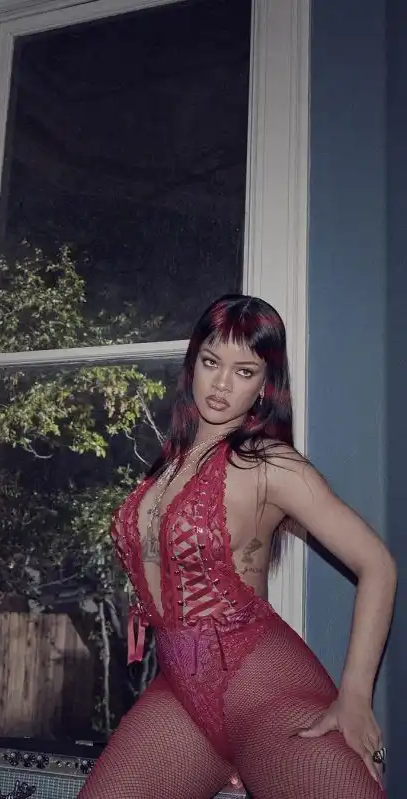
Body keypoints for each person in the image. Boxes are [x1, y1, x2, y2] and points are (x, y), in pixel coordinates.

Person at [78, 294, 396, 799]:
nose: (222, 384)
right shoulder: (167, 464)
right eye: (211, 362)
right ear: (193, 365)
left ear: (265, 384)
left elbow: (377, 563)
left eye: (244, 371)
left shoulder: (271, 465)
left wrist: (356, 697)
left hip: (267, 691)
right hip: (179, 694)